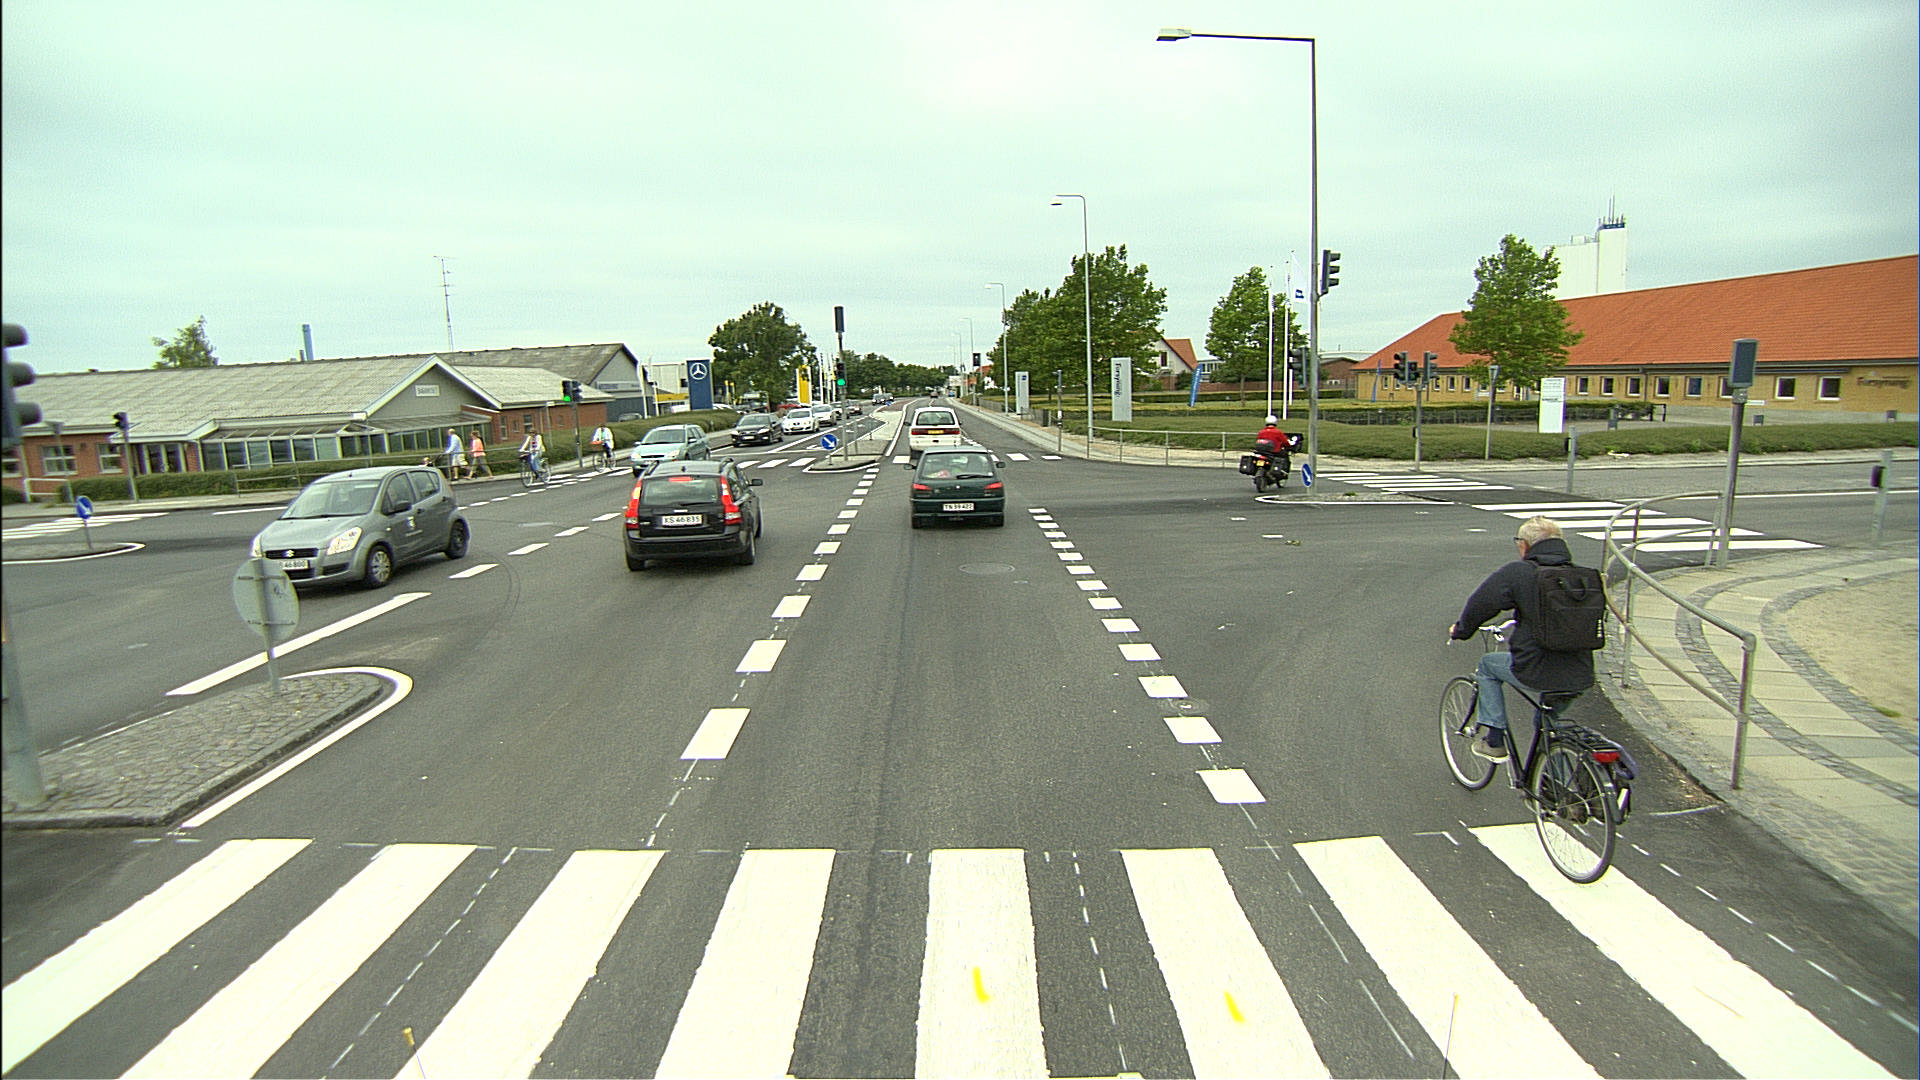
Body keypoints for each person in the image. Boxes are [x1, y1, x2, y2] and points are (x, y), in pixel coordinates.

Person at [1448, 515, 1596, 761]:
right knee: (1548, 724)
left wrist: (1461, 630)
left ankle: (1494, 741)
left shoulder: (1520, 573)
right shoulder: (1582, 576)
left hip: (1536, 669)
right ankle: (1554, 779)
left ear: (1524, 545)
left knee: (1488, 665)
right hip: (1580, 672)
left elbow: (1482, 603)